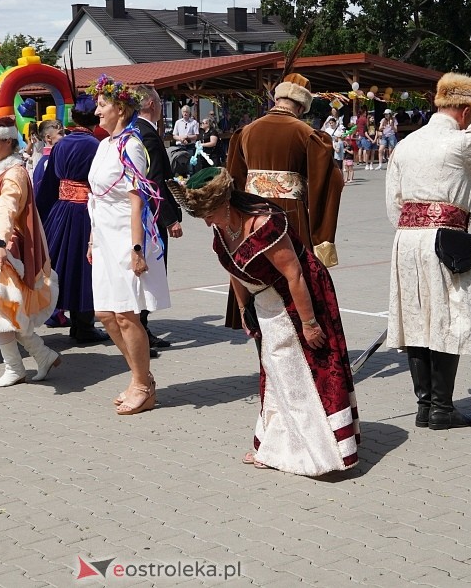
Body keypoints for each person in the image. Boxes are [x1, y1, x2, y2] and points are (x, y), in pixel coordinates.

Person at [169, 167, 360, 475]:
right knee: (276, 374)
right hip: (266, 305)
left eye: (209, 213)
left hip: (300, 299)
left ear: (225, 204)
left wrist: (309, 324)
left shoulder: (264, 223)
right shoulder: (222, 227)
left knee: (306, 374)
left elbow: (295, 274)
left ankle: (324, 450)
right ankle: (276, 443)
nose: (206, 222)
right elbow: (232, 269)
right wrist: (244, 308)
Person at [386, 73, 471, 430]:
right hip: (445, 239)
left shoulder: (406, 144)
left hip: (406, 239)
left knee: (416, 318)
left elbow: (393, 204)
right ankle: (442, 409)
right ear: (464, 111)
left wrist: (412, 230)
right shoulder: (462, 141)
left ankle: (425, 405)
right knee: (447, 317)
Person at [224, 73, 343, 328]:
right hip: (290, 218)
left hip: (250, 216)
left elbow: (232, 181)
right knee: (294, 278)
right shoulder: (307, 133)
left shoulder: (245, 132)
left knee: (256, 278)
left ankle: (259, 337)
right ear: (301, 105)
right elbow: (329, 182)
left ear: (277, 98)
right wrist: (322, 236)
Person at [86, 75, 170, 415]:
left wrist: (137, 250)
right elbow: (96, 197)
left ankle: (141, 383)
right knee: (105, 314)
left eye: (102, 105)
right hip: (105, 234)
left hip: (126, 235)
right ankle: (143, 378)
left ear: (120, 108)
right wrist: (93, 238)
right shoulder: (105, 144)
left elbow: (138, 201)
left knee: (126, 314)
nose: (96, 112)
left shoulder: (131, 144)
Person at [0, 117, 61, 387]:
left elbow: (8, 209)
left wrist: (0, 245)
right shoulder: (3, 168)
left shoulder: (13, 173)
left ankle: (16, 366)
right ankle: (41, 355)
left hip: (2, 251)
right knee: (6, 308)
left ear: (8, 140)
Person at [35, 94, 110, 344]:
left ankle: (58, 313)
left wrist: (42, 214)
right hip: (86, 212)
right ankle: (83, 324)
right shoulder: (97, 145)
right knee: (87, 268)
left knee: (62, 265)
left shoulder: (61, 145)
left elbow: (48, 186)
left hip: (62, 210)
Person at [136, 85, 181, 352]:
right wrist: (169, 218)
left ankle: (141, 329)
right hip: (149, 216)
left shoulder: (134, 130)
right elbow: (154, 181)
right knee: (150, 273)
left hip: (139, 212)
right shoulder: (147, 134)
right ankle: (140, 331)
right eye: (160, 102)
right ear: (153, 104)